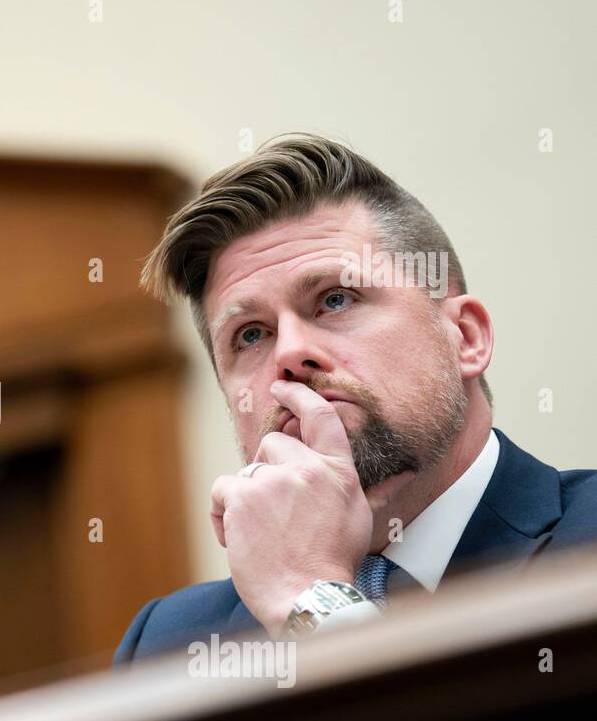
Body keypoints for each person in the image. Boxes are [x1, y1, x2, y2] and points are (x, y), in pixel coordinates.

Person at [115, 133, 597, 663]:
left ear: (466, 337)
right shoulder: (169, 645)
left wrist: (313, 604)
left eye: (335, 299)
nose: (292, 354)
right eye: (251, 335)